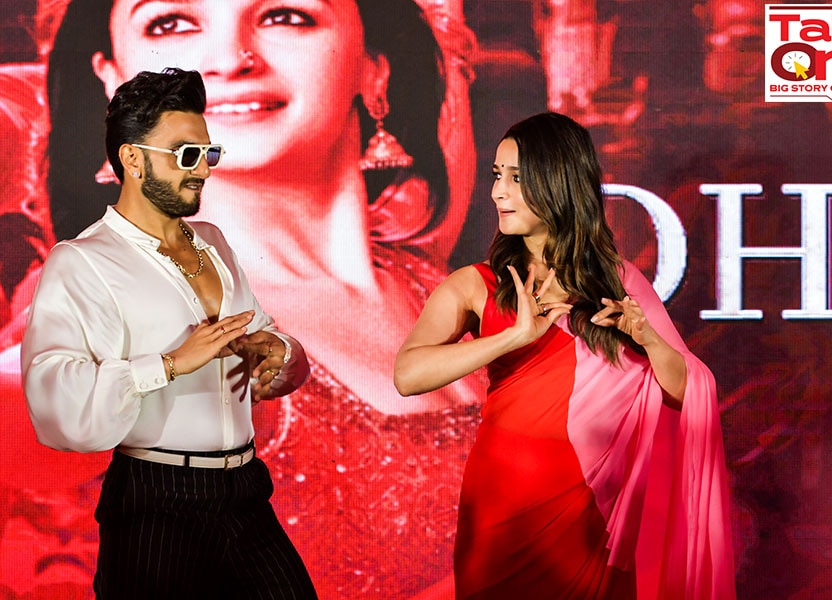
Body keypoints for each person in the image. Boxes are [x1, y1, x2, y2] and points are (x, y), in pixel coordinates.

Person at [3, 0, 482, 597]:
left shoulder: (460, 295)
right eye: (170, 23)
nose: (229, 60)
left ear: (374, 69)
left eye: (285, 15)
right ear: (112, 81)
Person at [395, 112, 736, 598]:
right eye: (497, 176)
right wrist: (510, 338)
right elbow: (408, 374)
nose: (498, 192)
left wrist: (649, 340)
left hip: (598, 512)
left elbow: (688, 390)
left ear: (558, 182)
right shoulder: (476, 284)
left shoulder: (618, 283)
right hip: (502, 504)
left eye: (516, 178)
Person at [21, 67, 318, 599]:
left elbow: (263, 333)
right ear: (132, 159)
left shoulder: (214, 242)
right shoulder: (83, 262)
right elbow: (53, 393)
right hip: (156, 501)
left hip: (245, 490)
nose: (202, 169)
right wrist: (170, 363)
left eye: (208, 153)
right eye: (185, 154)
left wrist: (281, 353)